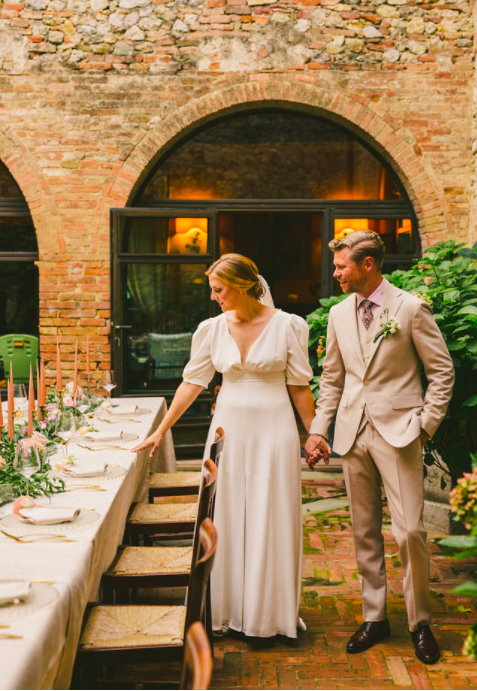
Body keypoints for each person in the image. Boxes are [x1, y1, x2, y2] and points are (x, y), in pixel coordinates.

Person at [132, 253, 316, 638]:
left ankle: (268, 616)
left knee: (271, 512)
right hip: (226, 431)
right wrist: (161, 429)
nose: (213, 296)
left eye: (219, 289)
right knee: (224, 514)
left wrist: (314, 433)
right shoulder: (211, 329)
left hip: (274, 429)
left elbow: (299, 386)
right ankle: (227, 610)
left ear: (244, 286)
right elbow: (192, 383)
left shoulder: (288, 326)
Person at [305, 230, 454, 665]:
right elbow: (332, 378)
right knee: (363, 530)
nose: (335, 273)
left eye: (341, 266)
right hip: (352, 433)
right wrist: (319, 429)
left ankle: (419, 622)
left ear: (367, 265)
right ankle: (375, 617)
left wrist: (425, 425)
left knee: (409, 531)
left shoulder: (410, 308)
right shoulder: (336, 314)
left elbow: (441, 371)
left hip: (401, 431)